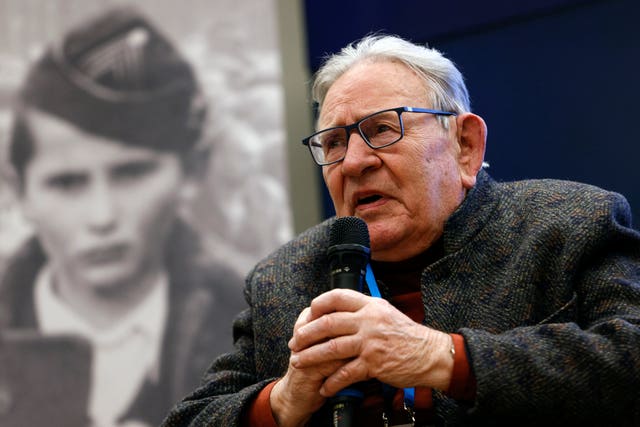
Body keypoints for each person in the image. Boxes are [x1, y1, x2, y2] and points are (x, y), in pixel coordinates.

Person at [161, 35, 640, 426]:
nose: (353, 162)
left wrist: (442, 358)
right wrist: (283, 401)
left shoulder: (567, 223)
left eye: (383, 129)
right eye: (333, 142)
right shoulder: (283, 277)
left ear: (465, 146)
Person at [0, 6, 245, 427]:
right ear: (20, 191)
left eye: (132, 173)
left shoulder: (257, 327)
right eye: (66, 183)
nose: (102, 217)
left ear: (190, 171)